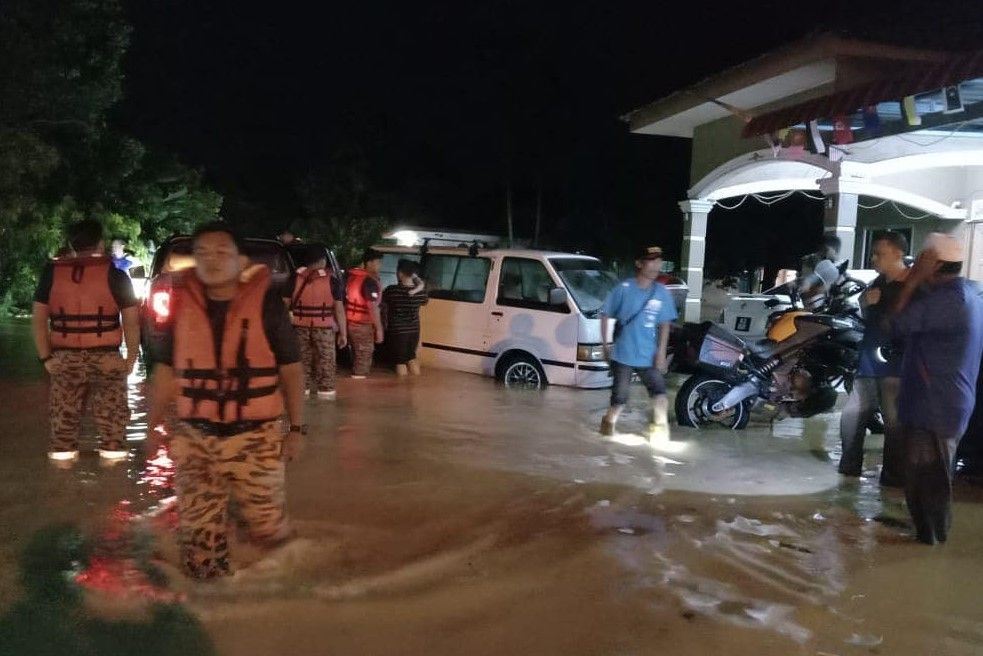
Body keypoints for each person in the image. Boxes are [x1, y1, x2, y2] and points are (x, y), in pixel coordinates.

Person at [145, 222, 306, 579]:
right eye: (202, 253)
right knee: (199, 541)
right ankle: (214, 598)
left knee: (268, 531)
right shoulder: (181, 305)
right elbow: (165, 371)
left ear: (241, 260)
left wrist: (296, 430)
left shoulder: (267, 305)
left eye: (222, 252)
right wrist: (151, 427)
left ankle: (287, 594)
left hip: (256, 437)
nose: (211, 259)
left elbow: (292, 370)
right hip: (195, 437)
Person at [891, 233, 983, 545]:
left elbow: (895, 324)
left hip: (934, 405)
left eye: (922, 259)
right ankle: (929, 537)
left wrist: (912, 281)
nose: (915, 264)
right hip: (944, 401)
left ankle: (929, 542)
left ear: (936, 264)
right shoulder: (968, 294)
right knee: (932, 478)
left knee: (928, 480)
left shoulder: (946, 301)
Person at [32, 219, 140, 463]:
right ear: (101, 243)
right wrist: (131, 360)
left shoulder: (51, 274)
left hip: (64, 359)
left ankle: (62, 477)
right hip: (107, 359)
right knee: (114, 432)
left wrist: (45, 358)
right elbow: (132, 322)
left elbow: (38, 319)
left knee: (62, 431)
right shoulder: (116, 275)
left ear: (71, 244)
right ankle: (112, 476)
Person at [838, 231, 909, 485]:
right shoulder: (878, 282)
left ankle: (892, 478)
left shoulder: (911, 285)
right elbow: (868, 313)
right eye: (873, 253)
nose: (873, 258)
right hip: (869, 362)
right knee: (852, 415)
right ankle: (849, 469)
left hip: (895, 367)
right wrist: (866, 304)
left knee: (894, 423)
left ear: (898, 253)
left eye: (880, 253)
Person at [599, 246, 678, 441]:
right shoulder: (624, 289)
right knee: (619, 401)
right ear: (639, 263)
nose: (656, 265)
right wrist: (605, 346)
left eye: (659, 261)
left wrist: (661, 352)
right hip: (622, 355)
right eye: (651, 261)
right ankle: (607, 428)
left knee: (660, 395)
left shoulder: (662, 292)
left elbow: (665, 324)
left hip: (648, 355)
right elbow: (605, 314)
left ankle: (659, 439)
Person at [288, 251, 347, 399]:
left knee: (301, 362)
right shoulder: (332, 280)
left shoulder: (294, 278)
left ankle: (302, 393)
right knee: (326, 363)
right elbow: (339, 309)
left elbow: (284, 305)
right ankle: (326, 396)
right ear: (322, 261)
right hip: (324, 328)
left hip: (299, 327)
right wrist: (343, 333)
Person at [382, 259, 428, 376]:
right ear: (413, 274)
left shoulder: (392, 290)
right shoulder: (421, 293)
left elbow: (381, 303)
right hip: (414, 331)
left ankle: (402, 385)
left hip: (398, 332)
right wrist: (416, 280)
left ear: (400, 273)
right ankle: (415, 383)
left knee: (400, 362)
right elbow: (424, 300)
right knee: (411, 358)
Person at [345, 248, 384, 379]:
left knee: (357, 356)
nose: (380, 266)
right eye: (378, 262)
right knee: (364, 357)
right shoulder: (369, 281)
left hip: (350, 322)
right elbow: (372, 307)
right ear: (370, 262)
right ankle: (359, 386)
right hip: (362, 325)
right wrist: (379, 329)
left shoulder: (352, 277)